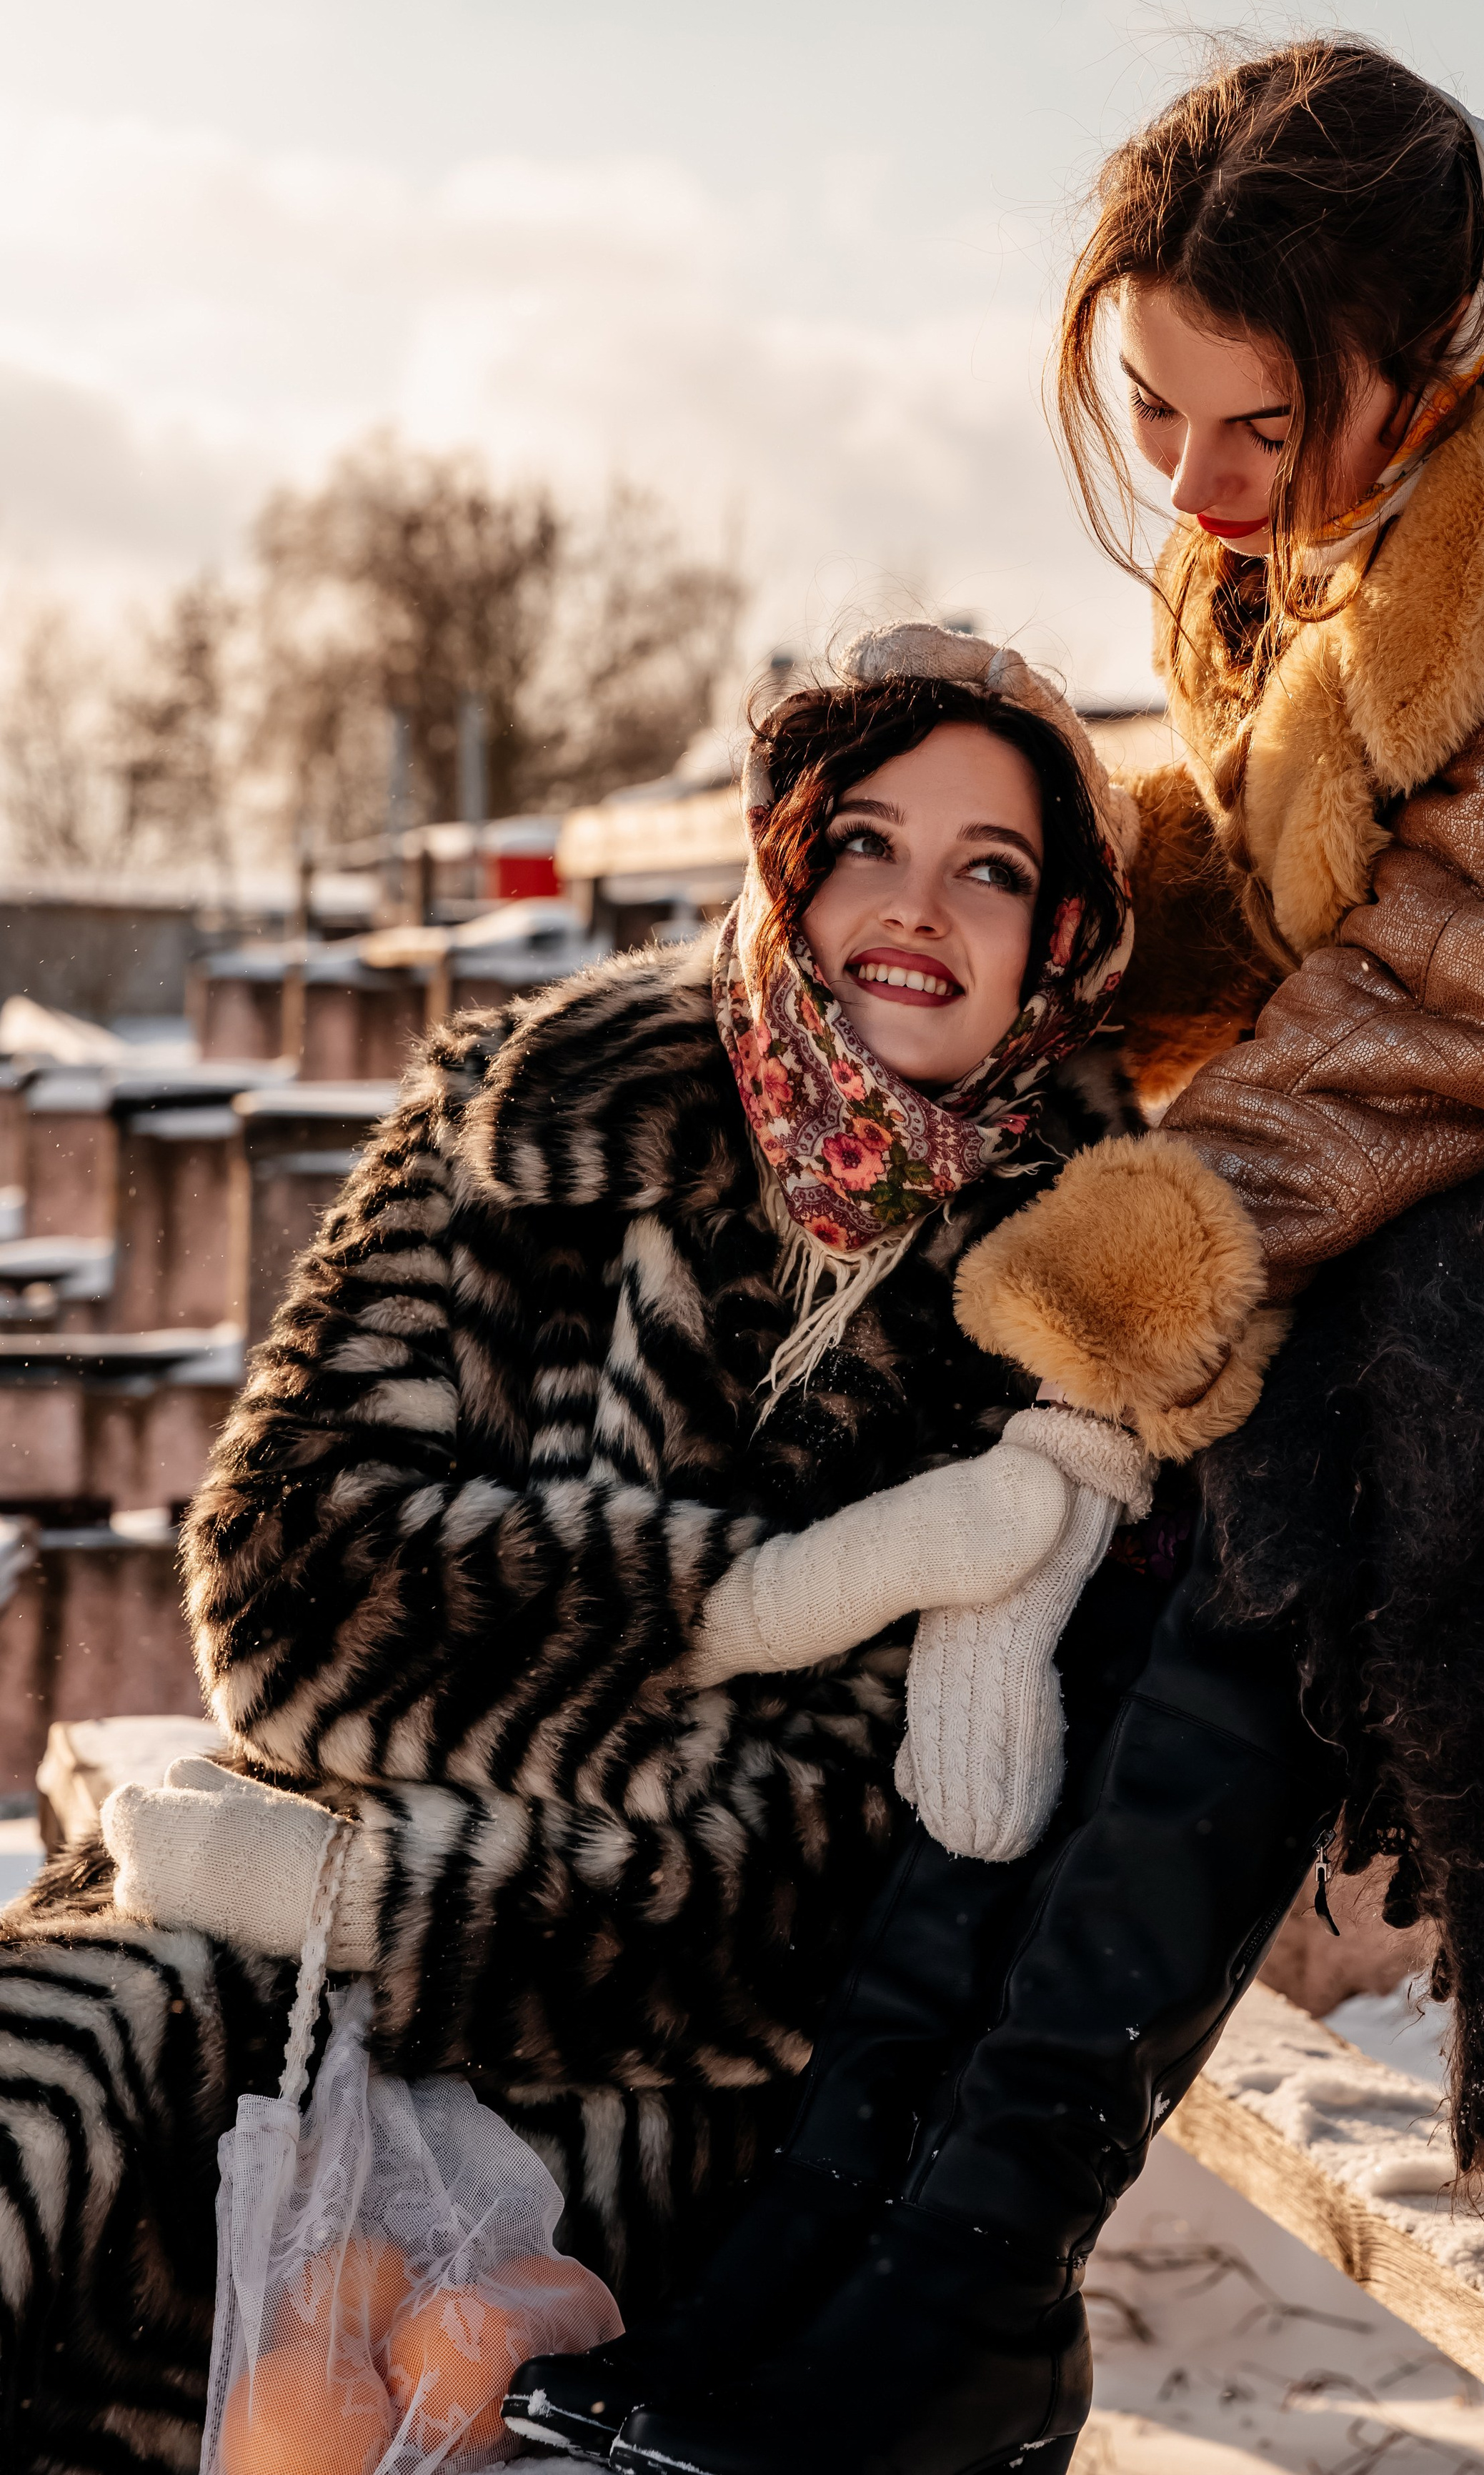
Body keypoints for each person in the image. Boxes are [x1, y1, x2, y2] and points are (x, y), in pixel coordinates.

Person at [573, 39, 1484, 2475]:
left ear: (1421, 341)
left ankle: (952, 2287)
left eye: (1252, 425)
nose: (1191, 486)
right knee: (1090, 1524)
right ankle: (820, 2239)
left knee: (1275, 1492)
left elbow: (1461, 977)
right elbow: (1273, 879)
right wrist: (984, 884)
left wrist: (1122, 1278)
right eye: (1151, 409)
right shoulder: (1303, 511)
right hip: (1467, 1087)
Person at [0, 624, 1158, 2474]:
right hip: (259, 1980)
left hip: (653, 2117)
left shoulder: (1073, 1316)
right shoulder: (516, 1117)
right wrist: (759, 1603)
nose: (916, 905)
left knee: (391, 2380)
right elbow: (284, 1589)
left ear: (1062, 936)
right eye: (867, 839)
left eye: (993, 868)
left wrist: (359, 1885)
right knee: (57, 2087)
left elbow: (821, 1894)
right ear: (787, 859)